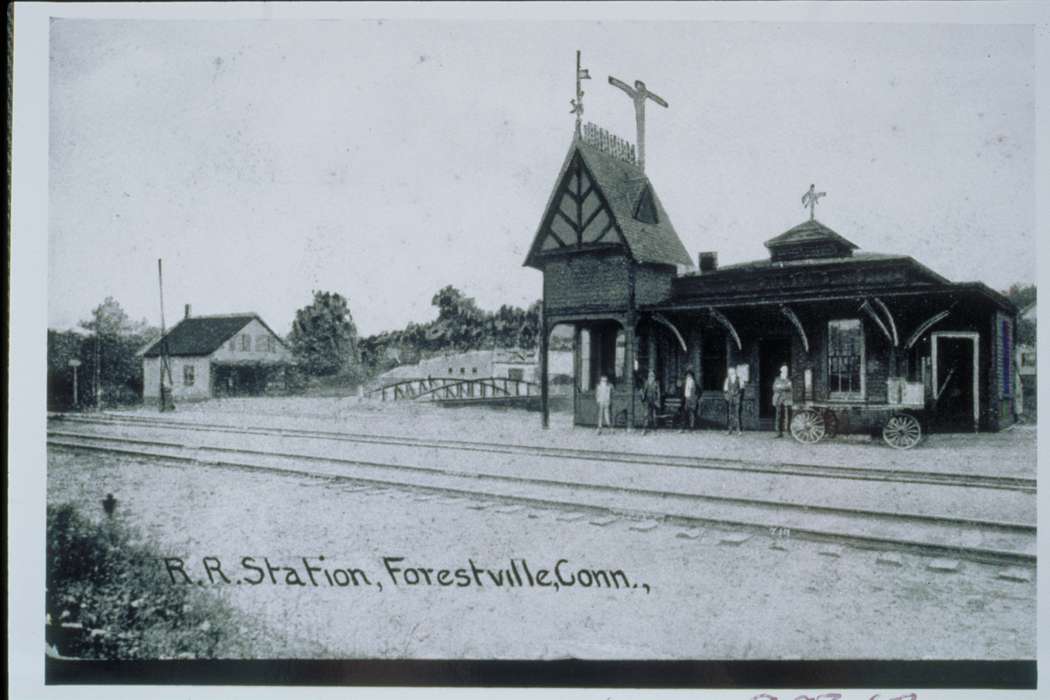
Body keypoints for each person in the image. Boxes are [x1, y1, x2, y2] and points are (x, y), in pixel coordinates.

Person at [772, 364, 793, 438]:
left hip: (787, 399)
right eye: (784, 370)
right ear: (781, 370)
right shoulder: (777, 379)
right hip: (778, 399)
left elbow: (790, 387)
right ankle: (778, 432)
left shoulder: (789, 379)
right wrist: (785, 386)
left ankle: (789, 431)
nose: (786, 371)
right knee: (778, 416)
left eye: (786, 370)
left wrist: (781, 386)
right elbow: (774, 388)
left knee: (789, 415)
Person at [723, 367, 743, 435]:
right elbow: (725, 390)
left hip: (736, 399)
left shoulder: (739, 379)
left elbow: (741, 389)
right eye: (729, 373)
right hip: (730, 399)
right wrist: (727, 397)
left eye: (732, 372)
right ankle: (730, 430)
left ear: (734, 372)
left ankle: (738, 430)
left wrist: (738, 396)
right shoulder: (727, 379)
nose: (731, 374)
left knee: (737, 414)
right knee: (730, 415)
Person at [641, 370, 661, 435]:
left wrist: (658, 401)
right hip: (647, 401)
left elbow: (658, 393)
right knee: (645, 415)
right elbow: (644, 391)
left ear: (654, 376)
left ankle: (654, 429)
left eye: (652, 375)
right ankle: (644, 429)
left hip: (654, 401)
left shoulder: (656, 383)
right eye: (649, 375)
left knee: (654, 415)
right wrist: (642, 395)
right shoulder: (646, 383)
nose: (651, 377)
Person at [681, 368, 698, 432]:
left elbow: (699, 391)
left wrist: (696, 398)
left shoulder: (694, 383)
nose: (688, 377)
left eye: (690, 375)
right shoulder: (684, 383)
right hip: (685, 400)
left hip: (691, 400)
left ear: (692, 376)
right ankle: (683, 427)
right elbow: (681, 391)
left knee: (691, 414)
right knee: (684, 414)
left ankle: (691, 427)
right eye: (687, 375)